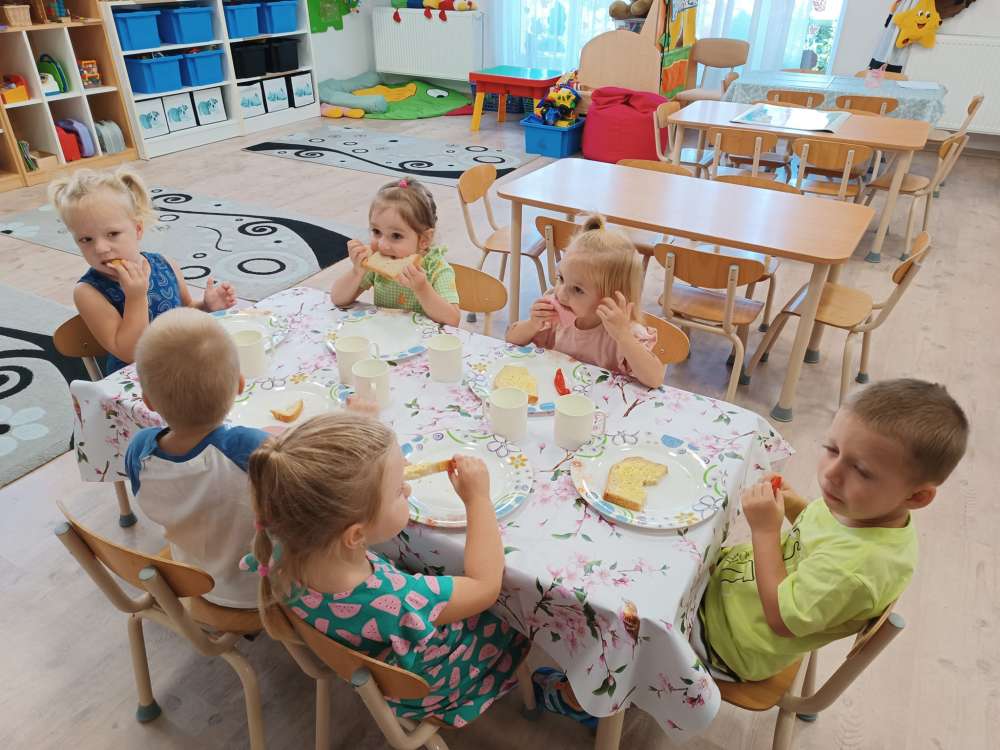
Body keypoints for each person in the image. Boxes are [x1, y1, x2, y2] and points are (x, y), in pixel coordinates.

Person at [246, 412, 530, 726]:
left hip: (368, 654)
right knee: (520, 608)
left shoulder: (280, 550)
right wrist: (478, 499)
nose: (407, 490)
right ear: (355, 536)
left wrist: (369, 463)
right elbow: (485, 586)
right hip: (437, 686)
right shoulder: (398, 598)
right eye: (398, 491)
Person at [694, 378, 969, 682]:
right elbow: (822, 536)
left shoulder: (855, 568)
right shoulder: (866, 510)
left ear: (916, 497)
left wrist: (764, 531)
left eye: (861, 471)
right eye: (832, 449)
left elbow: (781, 619)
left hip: (726, 641)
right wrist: (792, 504)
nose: (831, 473)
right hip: (728, 588)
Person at [124, 308, 264, 609]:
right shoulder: (250, 447)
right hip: (264, 588)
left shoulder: (140, 450)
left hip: (192, 577)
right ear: (240, 385)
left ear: (147, 402)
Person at [49, 168, 237, 374]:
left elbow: (184, 313)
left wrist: (206, 307)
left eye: (112, 234)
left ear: (137, 229)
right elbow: (129, 353)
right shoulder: (88, 292)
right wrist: (136, 297)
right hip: (139, 379)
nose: (100, 248)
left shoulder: (165, 264)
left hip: (182, 363)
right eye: (86, 239)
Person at [506, 214, 664, 388]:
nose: (561, 294)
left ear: (611, 299)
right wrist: (532, 324)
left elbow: (655, 379)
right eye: (561, 278)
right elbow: (511, 340)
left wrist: (624, 336)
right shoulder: (555, 319)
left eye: (577, 289)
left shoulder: (624, 331)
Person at [330, 178, 460, 327]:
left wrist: (422, 288)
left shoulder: (436, 268)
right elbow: (338, 299)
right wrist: (356, 272)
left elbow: (453, 320)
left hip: (422, 339)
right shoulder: (375, 266)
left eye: (396, 236)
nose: (382, 245)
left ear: (424, 239)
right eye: (376, 231)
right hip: (384, 335)